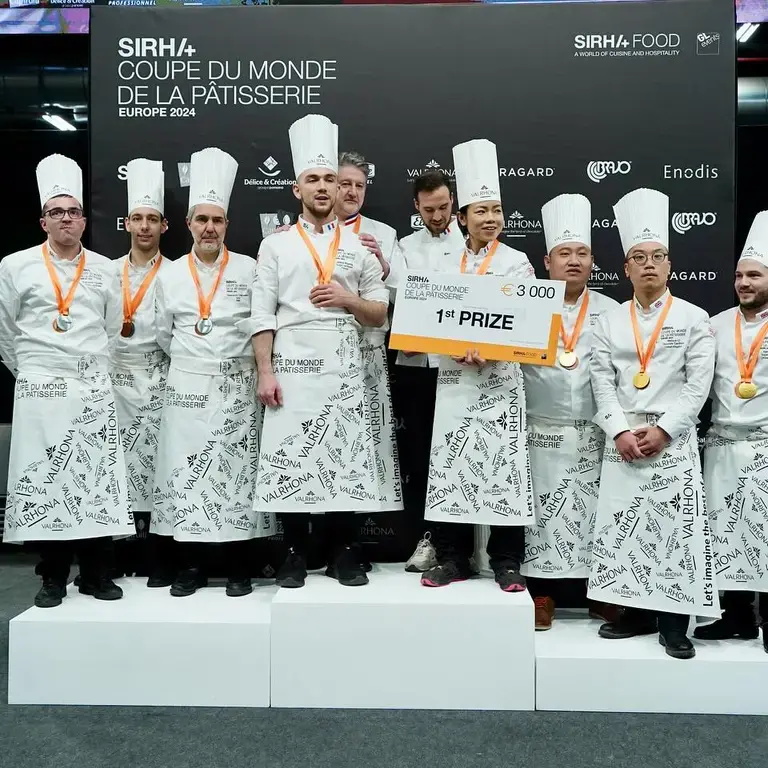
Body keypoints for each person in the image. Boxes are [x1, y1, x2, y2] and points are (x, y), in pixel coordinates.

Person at [246, 114, 389, 588]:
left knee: (345, 455)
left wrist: (348, 299)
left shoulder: (360, 246)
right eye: (313, 179)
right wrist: (265, 371)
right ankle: (293, 552)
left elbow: (379, 313)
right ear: (297, 189)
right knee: (292, 455)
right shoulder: (275, 246)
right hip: (292, 360)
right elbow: (262, 314)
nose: (323, 187)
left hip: (344, 363)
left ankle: (343, 553)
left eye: (330, 179)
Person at [587, 187, 719, 659]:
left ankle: (675, 623)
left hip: (672, 439)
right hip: (623, 438)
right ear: (626, 268)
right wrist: (619, 431)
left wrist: (664, 431)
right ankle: (636, 613)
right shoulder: (608, 321)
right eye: (639, 258)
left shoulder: (694, 318)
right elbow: (600, 381)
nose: (648, 265)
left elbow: (698, 386)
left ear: (669, 266)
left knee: (673, 531)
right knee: (627, 528)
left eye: (657, 257)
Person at [0, 154, 133, 607]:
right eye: (56, 212)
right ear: (43, 221)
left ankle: (96, 574)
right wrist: (34, 373)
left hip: (91, 386)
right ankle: (52, 577)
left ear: (83, 220)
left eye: (73, 211)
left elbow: (112, 330)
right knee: (46, 482)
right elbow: (6, 332)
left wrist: (88, 370)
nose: (66, 219)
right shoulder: (15, 266)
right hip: (40, 388)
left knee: (95, 480)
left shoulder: (105, 269)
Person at [152, 147, 274, 598]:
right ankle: (190, 567)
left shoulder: (249, 268)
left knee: (235, 475)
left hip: (238, 384)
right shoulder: (169, 276)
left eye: (217, 221)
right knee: (187, 472)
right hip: (187, 385)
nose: (209, 228)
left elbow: (261, 321)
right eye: (201, 219)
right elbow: (162, 334)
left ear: (226, 225)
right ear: (188, 224)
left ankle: (239, 567)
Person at [419, 139, 535, 592]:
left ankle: (506, 560)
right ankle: (453, 558)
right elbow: (428, 316)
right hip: (455, 380)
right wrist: (447, 346)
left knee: (504, 468)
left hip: (501, 381)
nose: (491, 219)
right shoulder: (443, 260)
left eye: (497, 210)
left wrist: (494, 349)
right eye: (481, 210)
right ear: (462, 217)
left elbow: (524, 323)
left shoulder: (517, 262)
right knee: (452, 466)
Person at [521, 193, 619, 630]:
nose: (574, 261)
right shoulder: (526, 304)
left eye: (582, 253)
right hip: (538, 429)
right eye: (565, 253)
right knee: (541, 512)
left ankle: (600, 595)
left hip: (595, 432)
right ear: (548, 261)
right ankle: (541, 594)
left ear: (593, 261)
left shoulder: (613, 312)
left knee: (596, 513)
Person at [695, 211, 768, 652]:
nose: (744, 283)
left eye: (754, 275)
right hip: (722, 444)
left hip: (765, 445)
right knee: (725, 533)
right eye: (740, 275)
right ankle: (736, 616)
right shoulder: (715, 324)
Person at [393, 170, 465, 572]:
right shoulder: (404, 247)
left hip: (461, 367)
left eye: (443, 207)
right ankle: (428, 538)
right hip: (417, 367)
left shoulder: (471, 247)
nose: (437, 217)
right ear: (416, 207)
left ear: (453, 202)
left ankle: (462, 546)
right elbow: (397, 300)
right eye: (428, 210)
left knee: (458, 455)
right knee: (421, 456)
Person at [111, 158, 174, 587]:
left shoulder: (177, 273)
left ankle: (157, 555)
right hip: (114, 381)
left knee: (157, 466)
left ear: (164, 226)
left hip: (159, 379)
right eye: (138, 219)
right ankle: (117, 555)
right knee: (116, 468)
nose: (145, 227)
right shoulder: (104, 272)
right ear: (127, 223)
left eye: (153, 219)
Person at [336, 151, 403, 519]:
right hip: (321, 350)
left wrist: (384, 265)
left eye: (359, 186)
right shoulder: (304, 233)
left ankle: (353, 535)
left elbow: (405, 293)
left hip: (369, 351)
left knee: (366, 440)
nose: (352, 192)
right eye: (344, 183)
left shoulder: (384, 234)